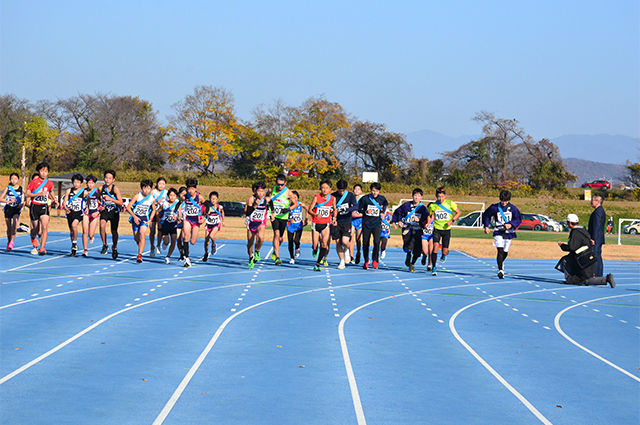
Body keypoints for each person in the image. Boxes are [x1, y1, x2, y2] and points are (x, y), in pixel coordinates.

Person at [556, 214, 615, 288]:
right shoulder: (583, 230)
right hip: (589, 258)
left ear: (570, 222)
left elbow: (572, 247)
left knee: (565, 261)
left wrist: (562, 246)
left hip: (582, 261)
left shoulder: (575, 232)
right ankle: (606, 279)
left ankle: (570, 280)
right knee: (586, 279)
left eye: (568, 222)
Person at [482, 190, 522, 279]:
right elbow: (486, 215)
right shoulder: (494, 207)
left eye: (506, 201)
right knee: (500, 249)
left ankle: (501, 263)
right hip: (498, 231)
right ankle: (500, 270)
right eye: (502, 200)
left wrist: (511, 224)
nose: (504, 203)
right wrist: (486, 226)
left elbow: (518, 219)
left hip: (509, 232)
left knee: (505, 252)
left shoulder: (513, 209)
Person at [392, 188, 428, 272]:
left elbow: (426, 219)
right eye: (415, 195)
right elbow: (398, 212)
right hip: (407, 229)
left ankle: (412, 264)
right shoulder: (406, 205)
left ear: (421, 197)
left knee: (417, 251)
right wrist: (398, 221)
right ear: (412, 196)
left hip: (418, 230)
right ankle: (408, 254)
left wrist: (420, 221)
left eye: (418, 196)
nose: (416, 198)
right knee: (407, 245)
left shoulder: (423, 209)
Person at [26, 162, 58, 255]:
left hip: (44, 206)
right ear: (39, 172)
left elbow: (51, 192)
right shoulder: (33, 182)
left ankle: (42, 248)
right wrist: (38, 194)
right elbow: (27, 194)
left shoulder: (49, 183)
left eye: (45, 171)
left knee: (44, 226)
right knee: (36, 229)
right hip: (34, 206)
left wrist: (54, 199)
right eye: (42, 171)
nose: (44, 173)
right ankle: (33, 238)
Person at [427, 187, 461, 276]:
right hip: (437, 229)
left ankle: (444, 255)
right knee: (435, 248)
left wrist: (452, 220)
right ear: (436, 196)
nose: (440, 199)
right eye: (439, 197)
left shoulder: (450, 203)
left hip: (446, 230)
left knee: (445, 251)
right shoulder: (433, 205)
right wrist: (428, 223)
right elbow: (429, 215)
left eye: (442, 196)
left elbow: (458, 213)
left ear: (445, 196)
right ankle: (434, 267)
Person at [358, 182, 388, 270]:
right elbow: (359, 208)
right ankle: (366, 261)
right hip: (367, 224)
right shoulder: (365, 199)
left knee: (377, 242)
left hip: (377, 224)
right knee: (366, 243)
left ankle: (375, 260)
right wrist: (365, 212)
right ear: (370, 190)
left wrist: (383, 212)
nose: (375, 193)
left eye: (377, 191)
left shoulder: (382, 198)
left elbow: (385, 204)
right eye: (373, 191)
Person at [308, 180, 337, 271]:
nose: (324, 190)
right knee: (315, 244)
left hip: (326, 224)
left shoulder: (332, 198)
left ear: (330, 189)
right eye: (323, 188)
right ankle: (315, 249)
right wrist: (315, 214)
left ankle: (318, 263)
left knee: (324, 244)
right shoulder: (316, 197)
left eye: (326, 188)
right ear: (320, 188)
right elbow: (309, 210)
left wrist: (334, 217)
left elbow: (335, 209)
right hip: (316, 223)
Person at [126, 179, 156, 263]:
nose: (146, 190)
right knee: (136, 237)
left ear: (151, 189)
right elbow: (128, 207)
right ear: (141, 188)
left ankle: (140, 255)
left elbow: (154, 210)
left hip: (144, 219)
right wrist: (134, 217)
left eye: (149, 188)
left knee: (142, 234)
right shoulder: (137, 196)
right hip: (135, 218)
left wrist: (150, 220)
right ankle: (139, 242)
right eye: (145, 188)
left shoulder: (152, 199)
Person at [331, 179, 358, 269]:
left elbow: (355, 206)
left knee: (345, 241)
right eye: (340, 191)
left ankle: (346, 250)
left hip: (346, 221)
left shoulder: (350, 195)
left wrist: (347, 209)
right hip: (336, 222)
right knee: (338, 242)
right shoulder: (333, 196)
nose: (341, 193)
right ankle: (342, 261)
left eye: (343, 191)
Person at [245, 181, 270, 270]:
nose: (260, 193)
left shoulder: (266, 199)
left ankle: (257, 251)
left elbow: (271, 203)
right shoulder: (251, 199)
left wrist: (273, 213)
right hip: (251, 222)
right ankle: (251, 257)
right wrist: (254, 206)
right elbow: (247, 213)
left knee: (261, 237)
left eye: (262, 191)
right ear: (255, 191)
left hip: (261, 222)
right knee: (250, 242)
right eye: (259, 191)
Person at [99, 169, 124, 260]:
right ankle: (105, 245)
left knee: (114, 231)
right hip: (105, 210)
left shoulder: (115, 189)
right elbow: (98, 199)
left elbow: (120, 202)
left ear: (113, 179)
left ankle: (115, 247)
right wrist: (100, 205)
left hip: (114, 211)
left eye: (110, 178)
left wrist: (111, 199)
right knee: (102, 226)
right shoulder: (101, 188)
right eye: (106, 178)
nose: (107, 180)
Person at [269, 174, 293, 266]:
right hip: (274, 216)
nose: (280, 186)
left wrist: (288, 209)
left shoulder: (288, 193)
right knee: (276, 234)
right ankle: (278, 257)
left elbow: (295, 204)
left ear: (285, 183)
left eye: (282, 185)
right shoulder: (271, 190)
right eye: (278, 184)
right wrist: (271, 212)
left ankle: (275, 250)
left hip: (284, 217)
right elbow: (268, 200)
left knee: (280, 238)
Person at [181, 178, 206, 267]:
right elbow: (178, 204)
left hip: (196, 221)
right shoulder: (185, 196)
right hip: (187, 219)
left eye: (192, 189)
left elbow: (207, 205)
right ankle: (187, 258)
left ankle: (187, 252)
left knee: (192, 242)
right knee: (186, 236)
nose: (191, 191)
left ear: (196, 188)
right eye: (189, 189)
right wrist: (176, 213)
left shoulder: (200, 197)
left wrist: (204, 218)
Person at [62, 173, 87, 257]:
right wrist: (65, 208)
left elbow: (89, 200)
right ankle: (73, 246)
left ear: (81, 183)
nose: (76, 184)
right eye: (75, 182)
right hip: (70, 212)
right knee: (71, 230)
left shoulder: (84, 192)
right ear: (72, 182)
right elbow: (65, 201)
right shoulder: (69, 191)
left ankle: (74, 243)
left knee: (74, 225)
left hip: (79, 212)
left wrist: (87, 208)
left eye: (78, 182)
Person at [0, 173, 24, 251]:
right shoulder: (8, 188)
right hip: (8, 209)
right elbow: (1, 198)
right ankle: (9, 241)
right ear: (10, 179)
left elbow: (27, 195)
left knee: (14, 225)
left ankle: (12, 242)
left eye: (15, 179)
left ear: (18, 180)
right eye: (12, 179)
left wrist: (22, 204)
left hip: (16, 209)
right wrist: (9, 201)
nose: (14, 180)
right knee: (9, 227)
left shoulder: (21, 188)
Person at [159, 188, 181, 264]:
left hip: (173, 225)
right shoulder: (164, 204)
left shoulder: (178, 205)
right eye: (170, 195)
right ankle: (164, 243)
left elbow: (180, 217)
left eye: (174, 196)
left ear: (176, 196)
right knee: (166, 241)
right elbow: (157, 212)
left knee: (174, 240)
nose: (172, 197)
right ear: (168, 196)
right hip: (165, 224)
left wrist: (177, 218)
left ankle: (168, 256)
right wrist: (159, 222)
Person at [286, 190, 308, 264]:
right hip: (290, 225)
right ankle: (292, 258)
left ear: (298, 198)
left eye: (296, 198)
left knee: (296, 240)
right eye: (293, 198)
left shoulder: (300, 204)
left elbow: (307, 209)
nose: (294, 199)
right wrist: (289, 219)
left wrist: (306, 218)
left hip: (299, 225)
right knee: (290, 241)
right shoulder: (288, 206)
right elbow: (283, 217)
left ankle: (297, 248)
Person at [203, 191, 224, 261]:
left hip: (216, 225)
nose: (213, 200)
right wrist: (206, 213)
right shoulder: (208, 207)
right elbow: (204, 214)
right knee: (206, 240)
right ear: (209, 199)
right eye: (212, 199)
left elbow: (222, 212)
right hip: (208, 225)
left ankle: (214, 244)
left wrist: (223, 221)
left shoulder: (219, 207)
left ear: (217, 199)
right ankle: (206, 253)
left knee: (211, 236)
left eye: (215, 199)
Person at [149, 177, 167, 258]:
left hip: (161, 214)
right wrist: (156, 202)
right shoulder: (153, 192)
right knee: (152, 231)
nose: (161, 185)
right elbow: (148, 201)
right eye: (160, 183)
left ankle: (158, 245)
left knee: (160, 230)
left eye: (163, 184)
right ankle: (152, 247)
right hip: (152, 213)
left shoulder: (166, 192)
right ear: (157, 184)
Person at [588, 194, 606, 277]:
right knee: (597, 256)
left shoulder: (598, 211)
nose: (591, 202)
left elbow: (597, 226)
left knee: (596, 257)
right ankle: (598, 275)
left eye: (593, 200)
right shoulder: (600, 210)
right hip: (598, 238)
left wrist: (593, 238)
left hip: (596, 239)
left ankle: (596, 275)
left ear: (598, 201)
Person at [82, 175, 101, 254]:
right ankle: (85, 250)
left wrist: (98, 211)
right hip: (86, 213)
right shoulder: (83, 191)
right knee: (84, 231)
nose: (90, 185)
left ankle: (91, 236)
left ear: (95, 184)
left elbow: (102, 203)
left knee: (90, 233)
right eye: (89, 183)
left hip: (95, 213)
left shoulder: (97, 192)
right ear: (86, 183)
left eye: (92, 183)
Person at [350, 184, 364, 264]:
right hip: (351, 220)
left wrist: (359, 215)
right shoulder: (351, 199)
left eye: (358, 189)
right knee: (351, 236)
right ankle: (351, 256)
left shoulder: (363, 200)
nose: (356, 191)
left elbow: (365, 212)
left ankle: (358, 252)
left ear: (361, 191)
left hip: (360, 220)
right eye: (355, 189)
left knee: (358, 238)